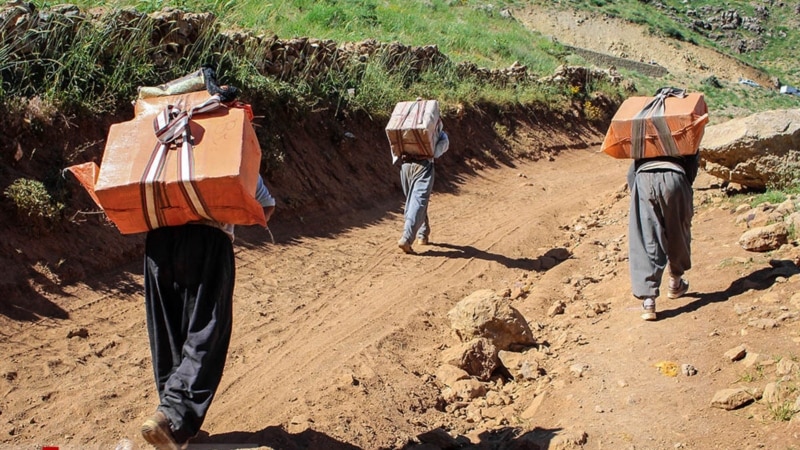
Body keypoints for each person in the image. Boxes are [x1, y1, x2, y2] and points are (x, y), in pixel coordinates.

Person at [140, 174, 275, 449]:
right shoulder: (225, 144)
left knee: (168, 335)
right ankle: (173, 417)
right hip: (209, 241)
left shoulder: (163, 142)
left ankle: (173, 422)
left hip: (158, 243)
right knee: (205, 333)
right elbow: (265, 206)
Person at [628, 152, 698, 321]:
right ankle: (675, 282)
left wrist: (637, 191)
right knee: (678, 231)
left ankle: (648, 301)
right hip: (676, 174)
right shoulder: (681, 127)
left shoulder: (641, 129)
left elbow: (631, 172)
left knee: (646, 237)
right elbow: (692, 163)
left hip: (644, 177)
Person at [396, 120, 449, 254]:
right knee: (418, 201)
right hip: (424, 166)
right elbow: (437, 152)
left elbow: (394, 148)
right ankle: (407, 238)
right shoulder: (437, 128)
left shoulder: (403, 126)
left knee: (413, 200)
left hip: (405, 166)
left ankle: (422, 234)